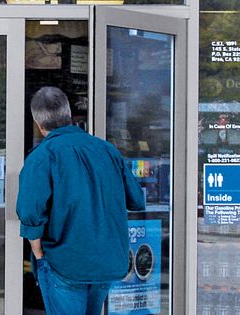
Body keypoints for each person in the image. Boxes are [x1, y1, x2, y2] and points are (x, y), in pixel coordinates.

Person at [16, 87, 145, 315]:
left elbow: (30, 212)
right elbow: (135, 198)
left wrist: (38, 255)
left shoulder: (42, 155)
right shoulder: (107, 150)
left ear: (38, 122)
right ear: (68, 115)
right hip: (107, 261)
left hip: (65, 263)